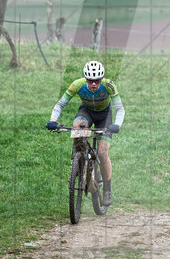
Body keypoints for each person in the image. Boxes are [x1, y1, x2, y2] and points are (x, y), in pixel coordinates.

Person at [46, 60, 124, 206]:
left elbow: (120, 108)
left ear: (101, 79)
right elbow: (60, 104)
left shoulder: (109, 85)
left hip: (104, 116)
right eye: (90, 80)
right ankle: (76, 163)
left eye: (96, 80)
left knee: (102, 152)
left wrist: (117, 125)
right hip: (86, 112)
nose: (93, 84)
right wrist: (53, 120)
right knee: (77, 127)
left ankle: (107, 190)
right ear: (85, 78)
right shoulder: (77, 85)